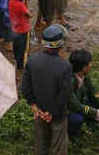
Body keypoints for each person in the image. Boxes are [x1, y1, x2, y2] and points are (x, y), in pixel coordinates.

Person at [21, 25, 72, 155]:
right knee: (59, 146)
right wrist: (52, 112)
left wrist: (33, 105)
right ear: (60, 44)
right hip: (57, 114)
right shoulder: (65, 66)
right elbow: (63, 94)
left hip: (38, 110)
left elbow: (25, 85)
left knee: (40, 143)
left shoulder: (32, 59)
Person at [67, 49, 99, 139]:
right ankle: (72, 135)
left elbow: (92, 90)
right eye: (90, 63)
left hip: (79, 103)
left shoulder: (84, 75)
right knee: (76, 119)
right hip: (68, 110)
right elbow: (75, 106)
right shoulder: (68, 81)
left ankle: (89, 119)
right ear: (84, 67)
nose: (91, 65)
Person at [9, 0, 32, 75]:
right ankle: (20, 71)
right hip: (24, 30)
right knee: (23, 51)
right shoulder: (20, 5)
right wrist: (26, 1)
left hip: (15, 30)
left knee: (16, 48)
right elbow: (29, 15)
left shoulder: (11, 1)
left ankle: (17, 64)